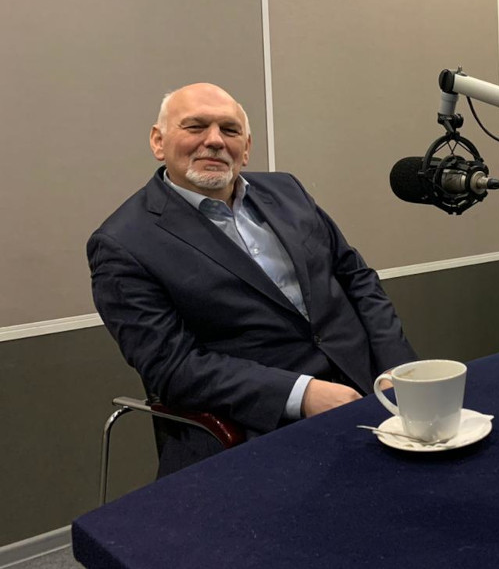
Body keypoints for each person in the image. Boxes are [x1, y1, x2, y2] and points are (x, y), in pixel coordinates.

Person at [88, 83, 417, 475]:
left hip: (374, 393)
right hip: (257, 429)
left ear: (246, 148)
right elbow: (172, 367)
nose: (214, 140)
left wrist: (398, 368)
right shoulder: (123, 243)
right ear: (158, 142)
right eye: (195, 127)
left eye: (229, 130)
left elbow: (357, 278)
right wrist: (302, 394)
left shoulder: (288, 190)